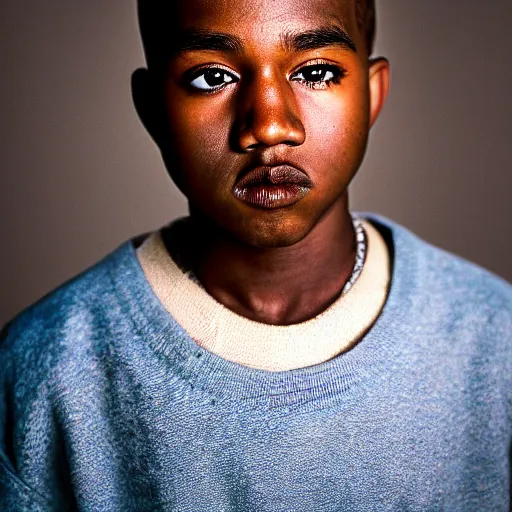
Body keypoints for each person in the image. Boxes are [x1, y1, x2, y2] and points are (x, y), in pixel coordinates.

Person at [0, 0, 510, 510]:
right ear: (153, 109)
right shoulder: (42, 373)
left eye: (316, 72)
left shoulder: (495, 341)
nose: (269, 125)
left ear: (371, 96)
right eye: (210, 78)